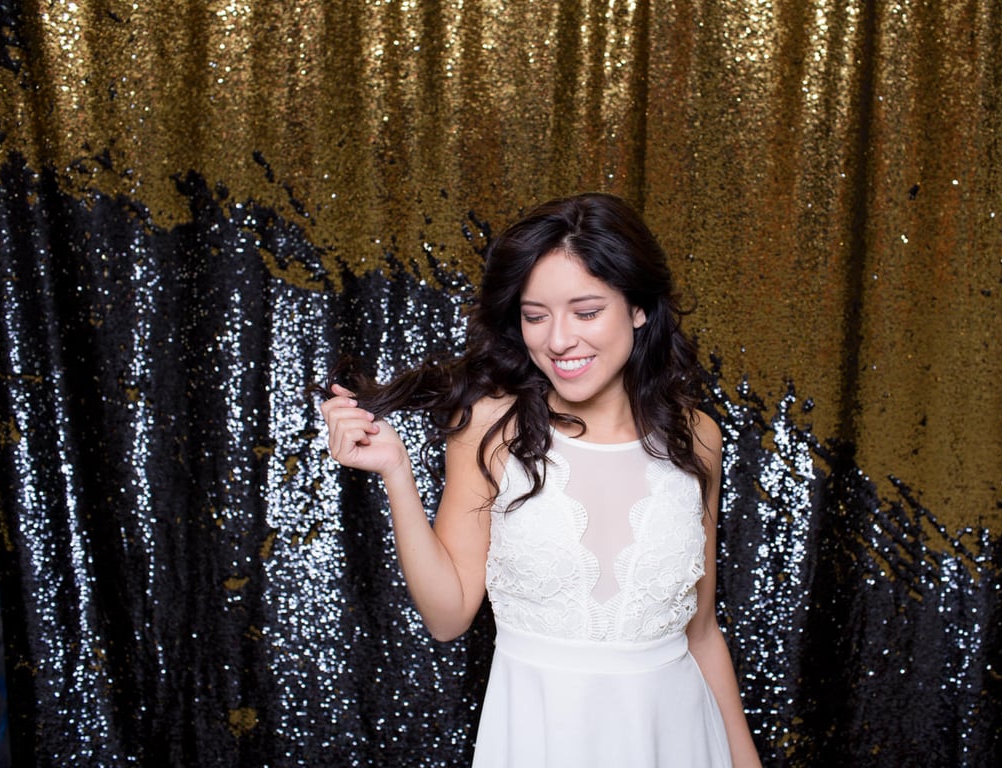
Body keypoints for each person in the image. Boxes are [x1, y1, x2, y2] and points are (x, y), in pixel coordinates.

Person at [319, 192, 762, 767]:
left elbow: (700, 632)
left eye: (586, 312)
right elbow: (448, 617)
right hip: (539, 739)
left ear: (638, 308)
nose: (557, 340)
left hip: (678, 741)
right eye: (535, 316)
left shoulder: (697, 436)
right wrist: (396, 475)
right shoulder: (489, 427)